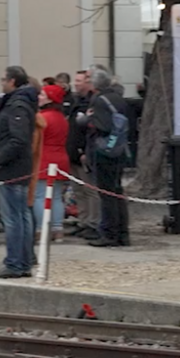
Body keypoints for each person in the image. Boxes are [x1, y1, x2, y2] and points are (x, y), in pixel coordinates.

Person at [0, 67, 39, 277]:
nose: (2, 82)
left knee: (14, 218)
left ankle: (15, 263)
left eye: (4, 79)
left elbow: (18, 139)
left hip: (11, 170)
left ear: (12, 81)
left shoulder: (17, 106)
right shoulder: (22, 103)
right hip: (18, 168)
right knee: (21, 216)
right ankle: (23, 262)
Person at [81, 69, 131, 247]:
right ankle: (122, 232)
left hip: (104, 151)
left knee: (106, 193)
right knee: (117, 192)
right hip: (119, 149)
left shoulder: (99, 100)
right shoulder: (118, 98)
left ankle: (110, 233)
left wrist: (85, 121)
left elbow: (100, 125)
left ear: (95, 84)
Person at [63, 69, 100, 237]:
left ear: (88, 82)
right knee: (78, 190)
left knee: (90, 190)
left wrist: (86, 150)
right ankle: (83, 220)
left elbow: (91, 130)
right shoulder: (75, 100)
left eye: (79, 81)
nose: (76, 83)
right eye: (75, 80)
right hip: (73, 152)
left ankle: (93, 222)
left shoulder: (92, 102)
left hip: (84, 152)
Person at [34, 83, 71, 237]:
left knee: (39, 196)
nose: (39, 97)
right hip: (61, 158)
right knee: (56, 196)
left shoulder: (42, 117)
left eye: (42, 95)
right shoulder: (62, 118)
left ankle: (41, 229)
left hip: (44, 159)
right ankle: (57, 228)